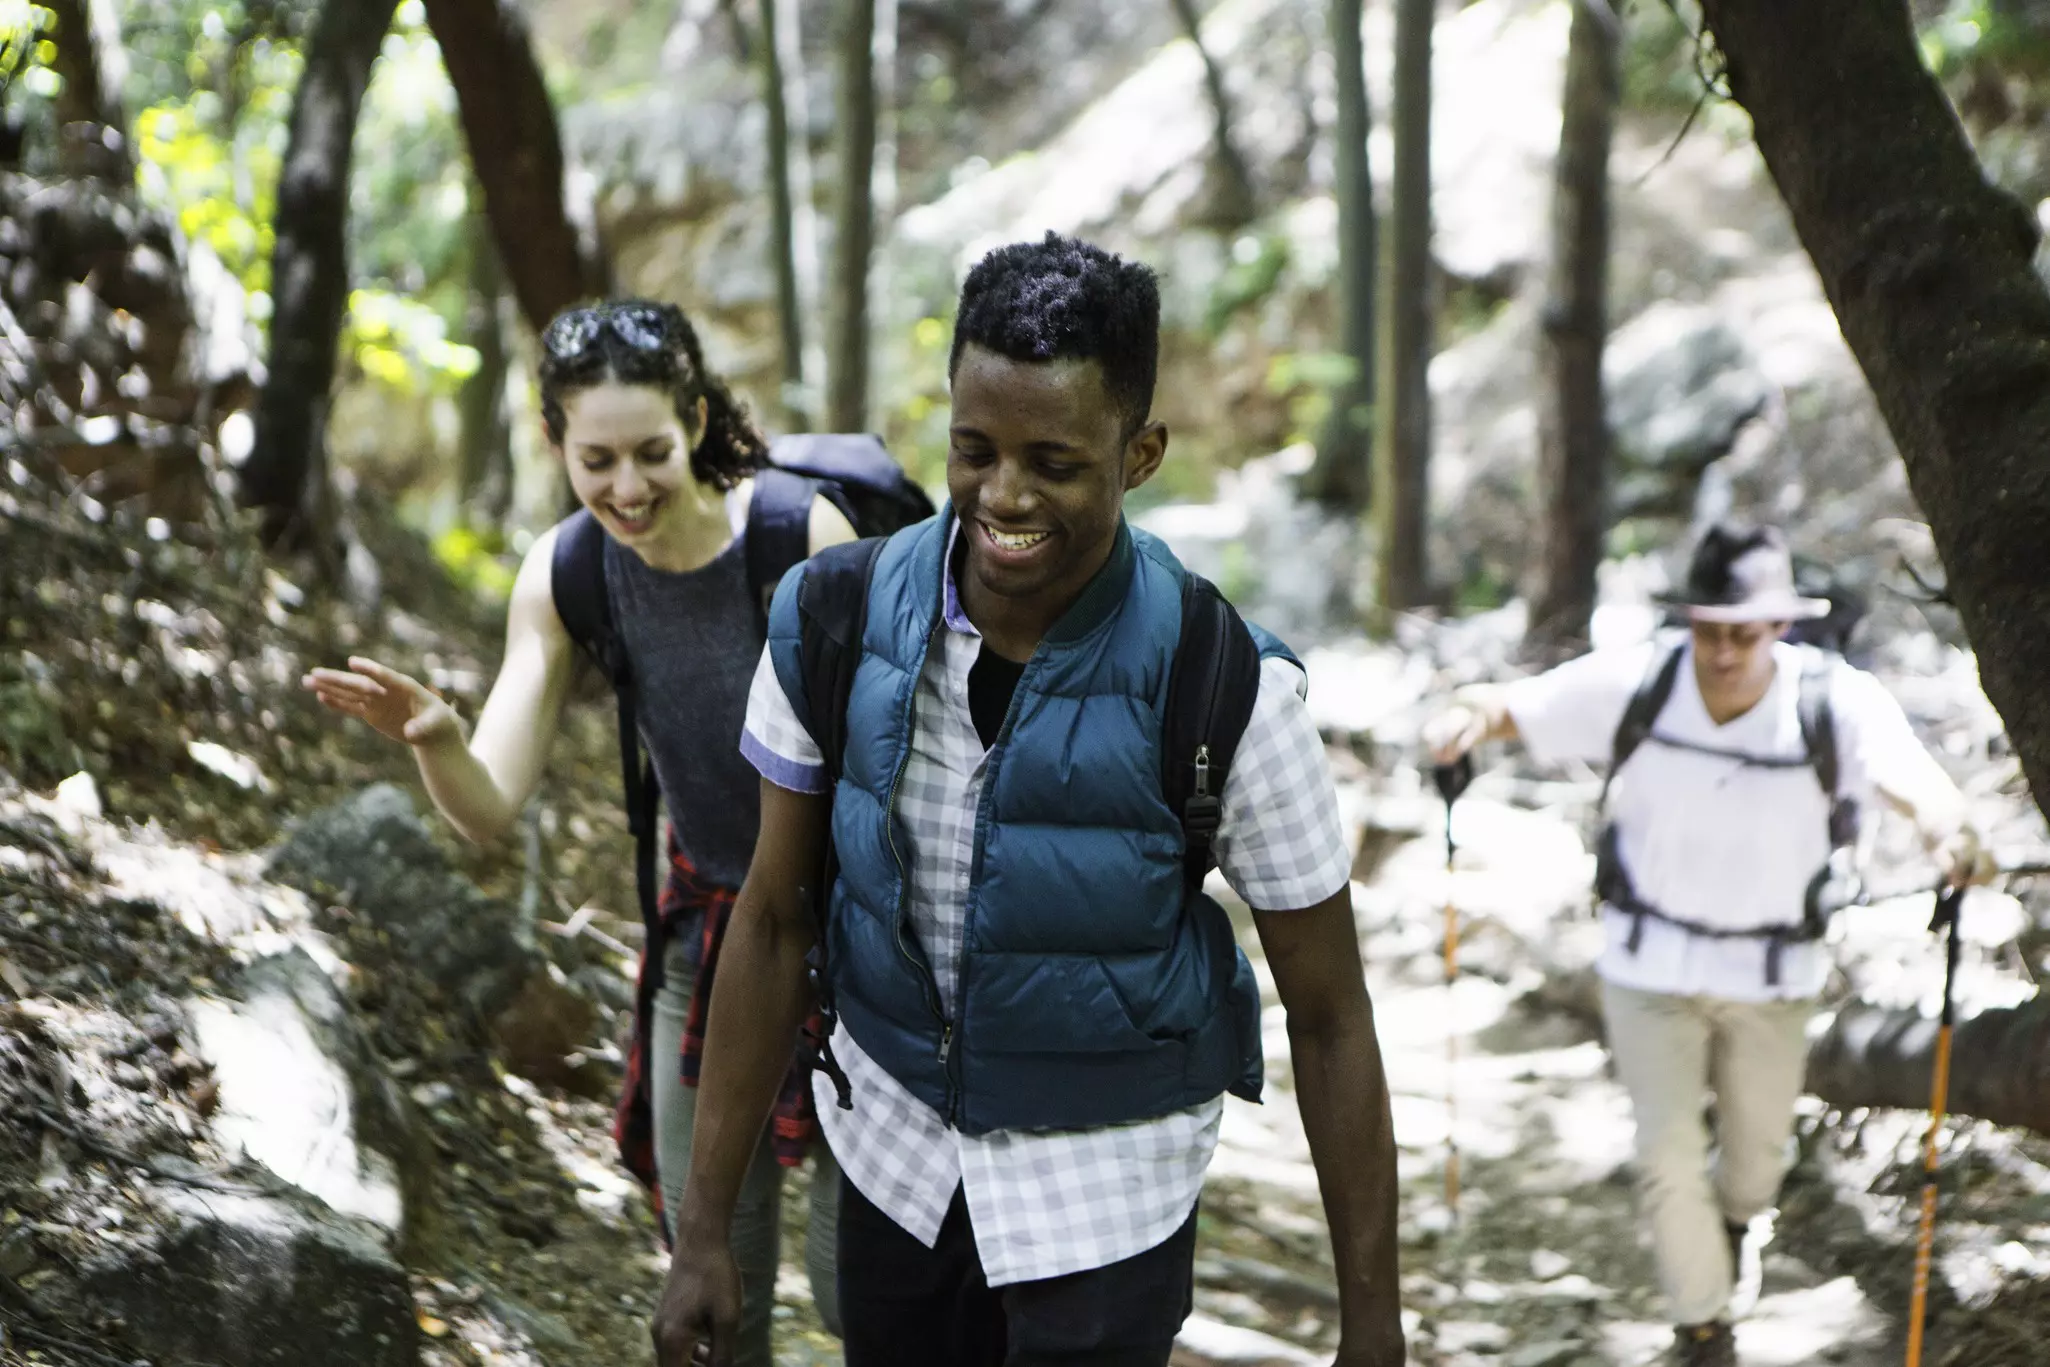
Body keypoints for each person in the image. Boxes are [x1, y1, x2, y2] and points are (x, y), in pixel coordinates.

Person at [649, 233, 1406, 1367]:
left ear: (1138, 451)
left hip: (1105, 1201)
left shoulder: (1226, 685)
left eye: (1052, 461)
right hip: (895, 1169)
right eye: (974, 449)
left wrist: (1371, 1319)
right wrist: (702, 1231)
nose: (1003, 494)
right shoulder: (832, 619)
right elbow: (768, 919)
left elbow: (1334, 1012)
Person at [304, 299, 852, 1367]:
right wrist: (436, 738)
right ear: (554, 442)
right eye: (596, 459)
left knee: (857, 1289)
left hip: (859, 944)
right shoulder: (567, 574)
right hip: (709, 944)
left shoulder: (801, 538)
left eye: (652, 451)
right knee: (707, 1279)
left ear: (696, 418)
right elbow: (489, 805)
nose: (628, 488)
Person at [1424, 522, 1993, 1367]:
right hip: (1647, 968)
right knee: (1666, 1159)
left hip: (1773, 975)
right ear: (1689, 620)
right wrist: (1460, 719)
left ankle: (1734, 1229)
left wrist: (1951, 831)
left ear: (1779, 627)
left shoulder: (1832, 700)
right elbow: (1512, 708)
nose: (1725, 650)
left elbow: (1908, 777)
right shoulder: (1641, 679)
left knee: (1755, 1166)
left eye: (1745, 631)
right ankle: (1704, 1331)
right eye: (1711, 628)